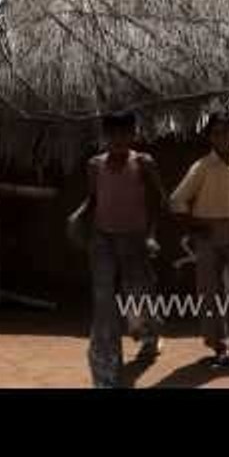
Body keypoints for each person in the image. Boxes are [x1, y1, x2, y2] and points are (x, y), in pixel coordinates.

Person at [67, 111, 167, 388]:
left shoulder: (144, 163)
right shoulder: (94, 165)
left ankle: (150, 335)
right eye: (114, 134)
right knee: (104, 304)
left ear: (134, 134)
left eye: (126, 133)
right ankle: (108, 369)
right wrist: (78, 214)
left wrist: (151, 235)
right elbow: (93, 199)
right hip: (102, 241)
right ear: (106, 136)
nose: (120, 139)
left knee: (139, 297)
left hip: (135, 240)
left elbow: (160, 201)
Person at [169, 111, 229, 371]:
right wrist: (195, 225)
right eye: (216, 133)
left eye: (226, 132)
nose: (221, 137)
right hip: (207, 234)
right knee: (210, 292)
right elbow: (176, 199)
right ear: (210, 137)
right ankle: (220, 348)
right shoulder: (201, 167)